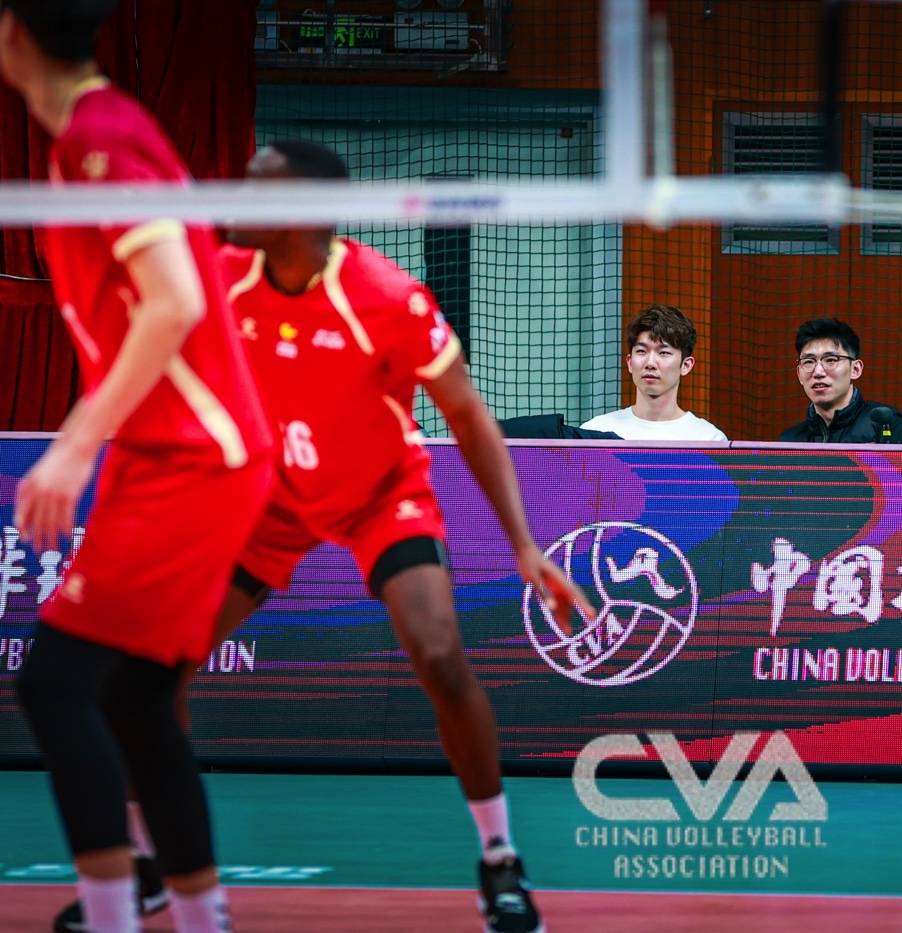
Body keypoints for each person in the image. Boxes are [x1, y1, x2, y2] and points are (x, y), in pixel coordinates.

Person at [64, 139, 595, 933]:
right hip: (263, 502)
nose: (240, 200)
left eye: (259, 189)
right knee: (151, 676)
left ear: (304, 210)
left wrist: (523, 544)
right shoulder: (220, 276)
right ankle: (157, 861)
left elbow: (468, 415)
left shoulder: (387, 297)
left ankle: (499, 857)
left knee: (440, 653)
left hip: (379, 496)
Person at [1, 2, 274, 931]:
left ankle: (115, 914)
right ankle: (199, 912)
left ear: (13, 33)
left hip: (194, 456)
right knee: (136, 696)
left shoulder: (101, 141)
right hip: (174, 451)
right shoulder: (90, 133)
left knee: (55, 684)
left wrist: (73, 443)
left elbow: (174, 301)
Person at [580, 304, 727, 441]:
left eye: (664, 353)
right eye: (641, 351)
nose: (650, 363)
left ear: (686, 365)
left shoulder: (709, 439)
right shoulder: (594, 433)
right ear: (630, 362)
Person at [778, 318, 902, 444]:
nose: (818, 372)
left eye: (831, 360)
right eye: (808, 361)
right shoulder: (790, 441)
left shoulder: (887, 426)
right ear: (799, 374)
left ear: (855, 369)